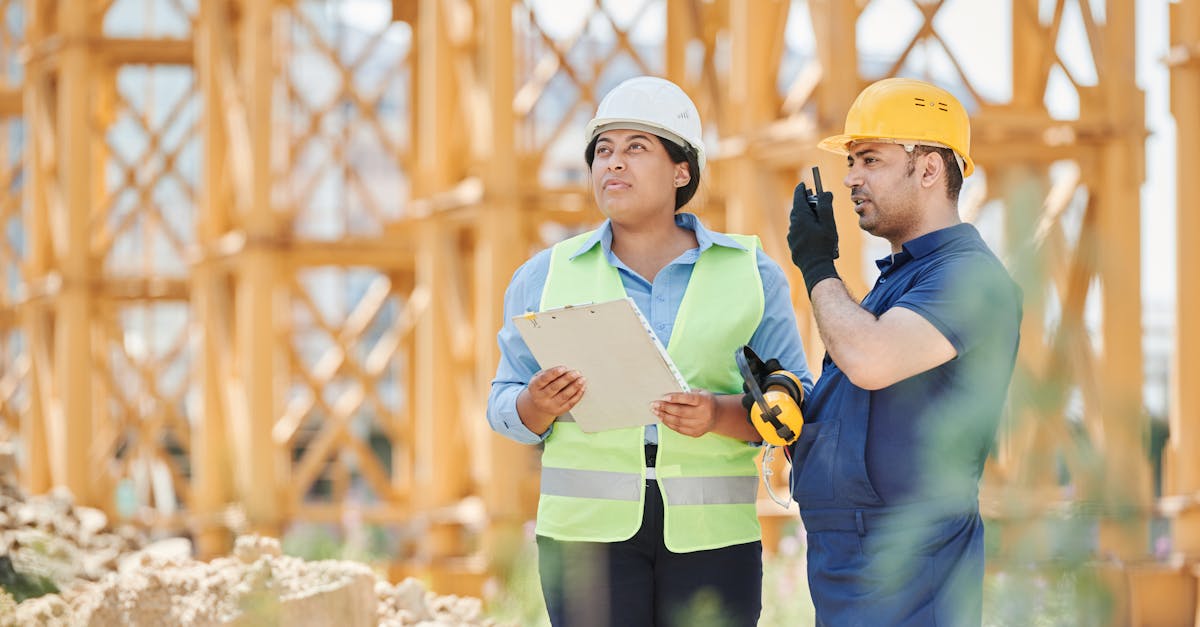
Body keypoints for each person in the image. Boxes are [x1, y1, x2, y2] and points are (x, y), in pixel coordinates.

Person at [486, 76, 812, 627]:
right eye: (603, 152)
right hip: (584, 541)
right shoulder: (543, 276)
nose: (613, 164)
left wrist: (718, 415)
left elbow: (795, 404)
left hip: (714, 537)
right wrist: (536, 406)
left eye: (636, 148)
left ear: (682, 171)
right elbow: (502, 403)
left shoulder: (751, 274)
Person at [785, 77, 1023, 626]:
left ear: (929, 169)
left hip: (915, 578)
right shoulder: (900, 282)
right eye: (850, 162)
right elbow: (864, 396)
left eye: (869, 159)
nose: (850, 178)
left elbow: (871, 360)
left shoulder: (969, 278)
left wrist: (818, 266)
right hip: (853, 569)